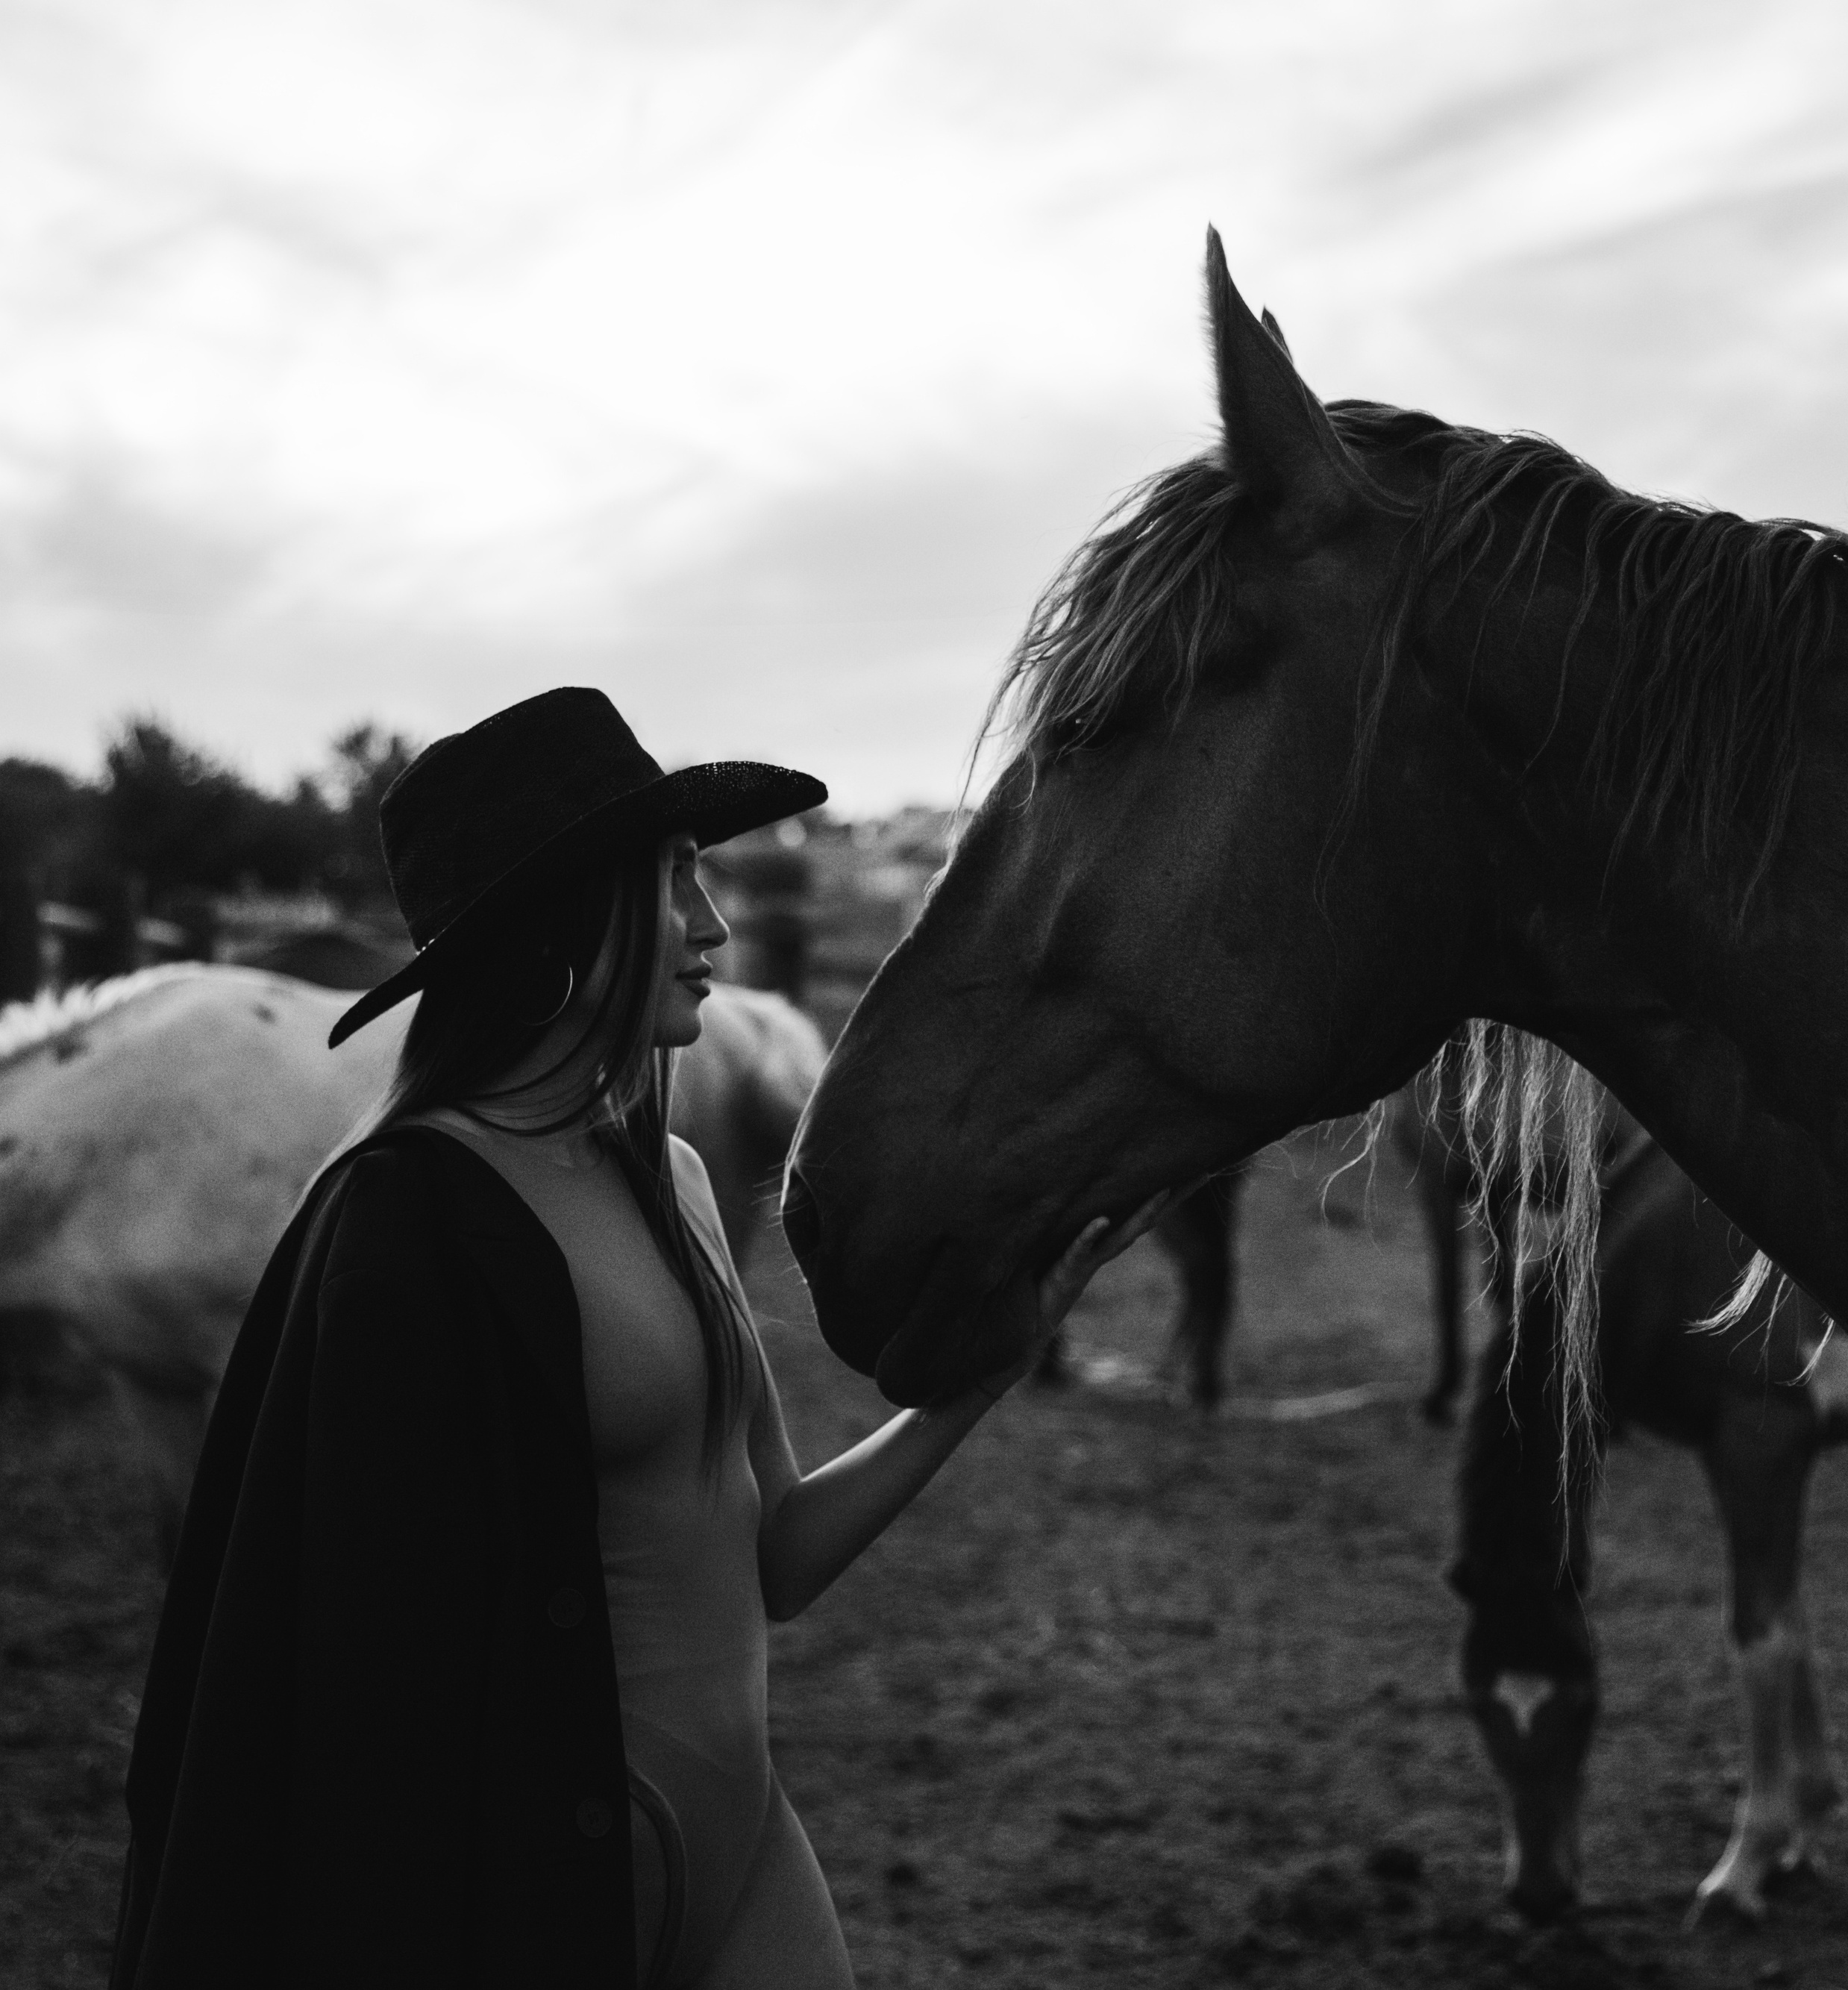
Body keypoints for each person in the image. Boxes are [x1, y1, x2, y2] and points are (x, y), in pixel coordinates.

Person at [110, 688, 1167, 1990]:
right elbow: (362, 1681)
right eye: (672, 881)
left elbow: (775, 1556)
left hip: (750, 1856)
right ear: (560, 919)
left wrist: (989, 1370)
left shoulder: (677, 1182)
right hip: (559, 1901)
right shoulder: (406, 1222)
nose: (712, 923)